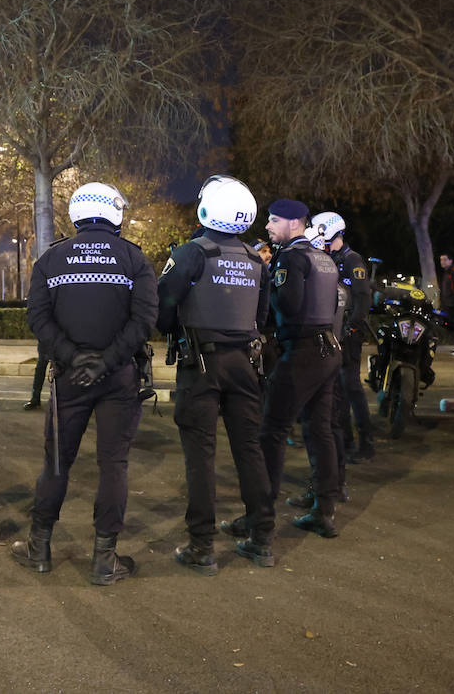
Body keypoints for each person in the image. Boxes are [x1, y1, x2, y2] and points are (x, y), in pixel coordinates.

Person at [11, 182, 156, 585]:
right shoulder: (133, 258)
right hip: (119, 376)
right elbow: (144, 320)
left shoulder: (51, 258)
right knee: (114, 464)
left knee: (56, 463)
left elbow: (38, 319)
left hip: (69, 378)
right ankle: (103, 560)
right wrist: (106, 361)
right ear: (115, 213)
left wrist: (75, 358)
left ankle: (39, 549)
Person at [157, 175, 275, 575]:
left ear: (207, 209)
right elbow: (262, 318)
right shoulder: (255, 259)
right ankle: (261, 539)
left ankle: (202, 546)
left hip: (202, 365)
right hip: (245, 363)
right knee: (249, 450)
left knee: (200, 456)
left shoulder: (192, 253)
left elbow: (164, 308)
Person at [226, 199, 343, 540]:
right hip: (328, 349)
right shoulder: (322, 257)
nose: (267, 226)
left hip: (303, 351)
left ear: (295, 223)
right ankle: (324, 510)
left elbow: (287, 304)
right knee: (319, 430)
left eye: (274, 220)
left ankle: (259, 518)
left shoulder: (291, 257)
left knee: (271, 431)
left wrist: (267, 294)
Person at [313, 211, 374, 462]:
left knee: (351, 386)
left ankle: (366, 442)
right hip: (334, 331)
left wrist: (351, 327)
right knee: (337, 387)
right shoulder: (331, 258)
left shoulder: (352, 259)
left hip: (348, 332)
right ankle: (346, 440)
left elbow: (362, 298)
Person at [23, 344, 50, 411]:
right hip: (45, 344)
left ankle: (60, 399)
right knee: (39, 370)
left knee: (58, 371)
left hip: (59, 343)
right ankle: (35, 398)